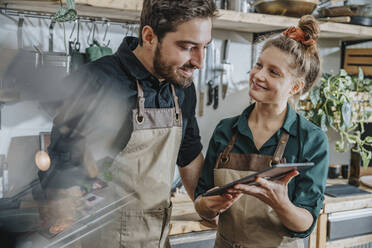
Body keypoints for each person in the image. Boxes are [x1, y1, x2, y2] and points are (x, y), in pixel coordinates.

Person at [40, 0, 217, 247]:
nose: (199, 61)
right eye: (188, 47)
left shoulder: (181, 86)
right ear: (149, 36)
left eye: (205, 47)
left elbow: (188, 154)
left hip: (157, 239)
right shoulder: (96, 82)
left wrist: (211, 205)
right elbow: (62, 166)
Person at [194, 15, 329, 248]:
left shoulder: (311, 139)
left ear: (295, 87)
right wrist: (210, 205)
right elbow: (201, 203)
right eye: (259, 65)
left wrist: (281, 203)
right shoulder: (226, 130)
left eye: (273, 72)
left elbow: (306, 223)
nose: (258, 76)